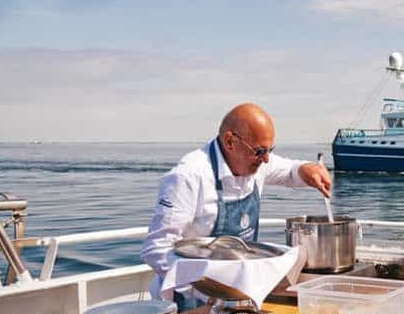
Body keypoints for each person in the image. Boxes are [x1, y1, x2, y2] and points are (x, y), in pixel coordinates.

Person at [140, 103, 331, 300]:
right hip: (191, 300)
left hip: (239, 297)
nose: (266, 159)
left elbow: (291, 171)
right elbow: (156, 249)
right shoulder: (188, 177)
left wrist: (308, 169)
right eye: (259, 151)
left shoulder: (257, 162)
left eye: (269, 150)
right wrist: (208, 291)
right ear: (230, 141)